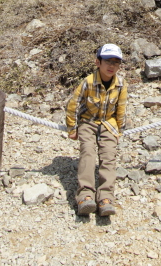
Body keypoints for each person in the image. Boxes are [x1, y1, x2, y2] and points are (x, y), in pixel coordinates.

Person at [66, 43, 128, 216]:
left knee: (109, 155)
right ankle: (85, 195)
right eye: (108, 61)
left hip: (109, 123)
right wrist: (72, 127)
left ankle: (105, 197)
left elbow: (121, 110)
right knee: (88, 152)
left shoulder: (122, 84)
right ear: (98, 62)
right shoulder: (88, 82)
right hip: (88, 121)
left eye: (116, 62)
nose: (111, 66)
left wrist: (119, 132)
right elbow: (73, 105)